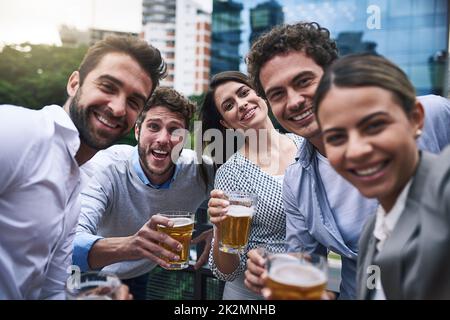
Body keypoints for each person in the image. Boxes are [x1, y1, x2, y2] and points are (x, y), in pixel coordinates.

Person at [242, 22, 450, 299]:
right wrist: (282, 275)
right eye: (277, 94)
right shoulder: (297, 179)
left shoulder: (433, 114)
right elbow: (314, 268)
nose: (293, 102)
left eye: (304, 81)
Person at [0, 35, 166, 299]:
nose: (118, 108)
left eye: (134, 101)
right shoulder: (19, 131)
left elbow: (51, 290)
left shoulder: (77, 180)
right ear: (74, 83)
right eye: (108, 87)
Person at [314, 53, 450, 299]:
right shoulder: (371, 233)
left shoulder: (443, 187)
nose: (356, 150)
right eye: (336, 137)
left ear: (415, 118)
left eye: (374, 125)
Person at [74, 87, 215, 300]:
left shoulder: (199, 170)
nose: (163, 139)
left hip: (139, 274)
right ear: (138, 131)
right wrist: (132, 245)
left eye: (175, 131)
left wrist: (218, 228)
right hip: (88, 275)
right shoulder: (107, 168)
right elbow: (70, 243)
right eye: (154, 127)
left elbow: (246, 187)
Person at [201, 71, 302, 299]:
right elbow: (226, 271)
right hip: (252, 294)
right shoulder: (231, 173)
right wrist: (221, 230)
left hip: (308, 286)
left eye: (244, 93)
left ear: (260, 94)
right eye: (229, 105)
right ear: (225, 123)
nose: (242, 104)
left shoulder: (305, 147)